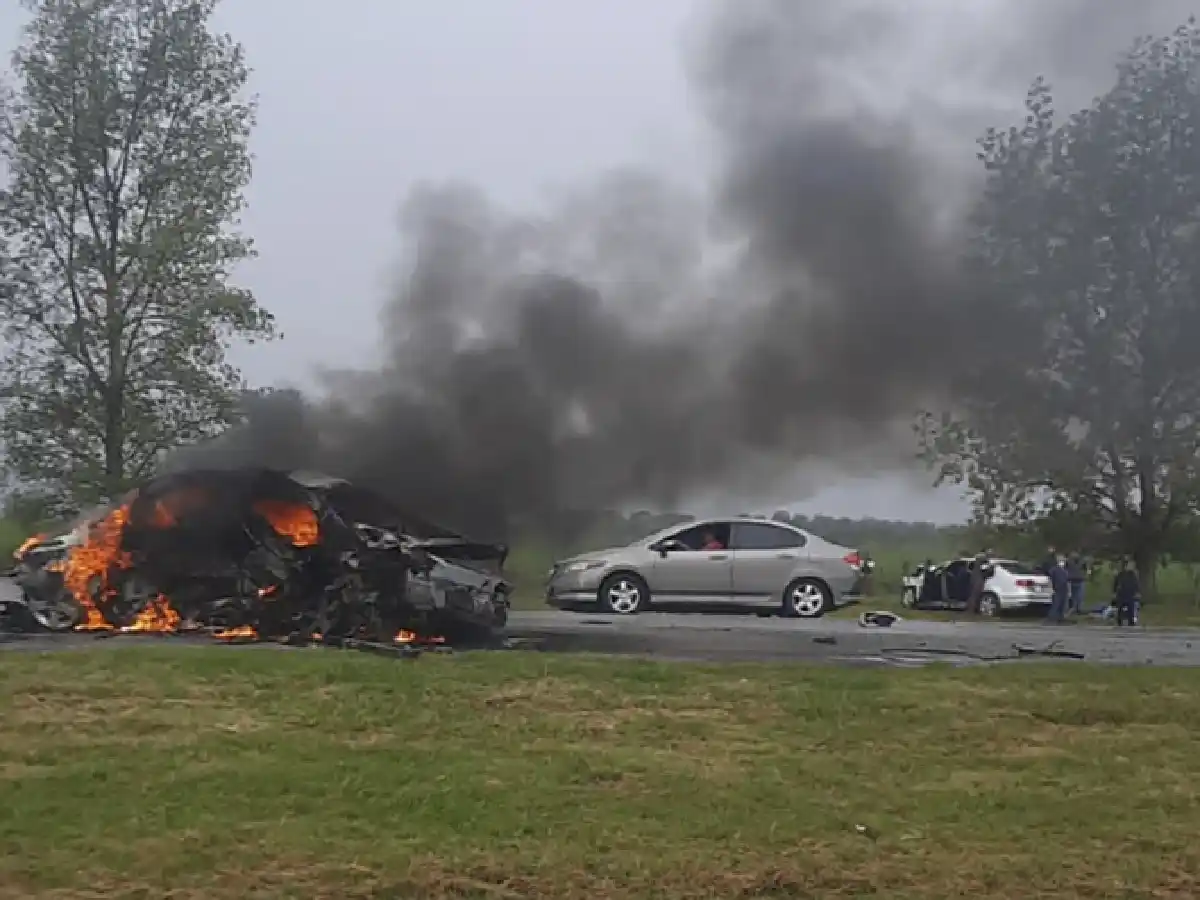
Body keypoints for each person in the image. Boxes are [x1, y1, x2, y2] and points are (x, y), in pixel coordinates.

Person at [1112, 559, 1141, 627]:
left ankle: (1131, 621)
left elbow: (1136, 584)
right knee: (1120, 607)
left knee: (1131, 608)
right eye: (1130, 565)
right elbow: (1116, 584)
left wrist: (1137, 592)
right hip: (1122, 593)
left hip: (1130, 594)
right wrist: (1114, 592)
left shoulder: (1133, 575)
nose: (1132, 567)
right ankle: (1119, 620)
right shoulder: (1120, 574)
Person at [1045, 555, 1070, 624]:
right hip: (1057, 588)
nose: (1062, 562)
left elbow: (1067, 581)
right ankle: (1052, 618)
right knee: (1056, 604)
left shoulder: (1065, 570)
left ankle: (1060, 618)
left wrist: (1069, 591)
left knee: (1063, 604)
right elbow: (1049, 579)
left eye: (1063, 561)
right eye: (1061, 561)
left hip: (1064, 589)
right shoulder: (1054, 569)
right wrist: (1050, 588)